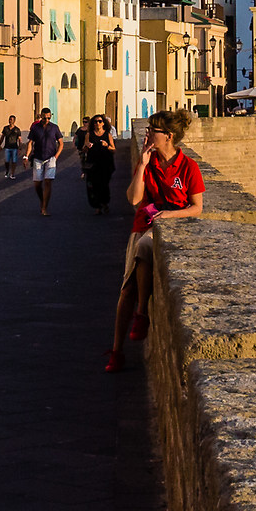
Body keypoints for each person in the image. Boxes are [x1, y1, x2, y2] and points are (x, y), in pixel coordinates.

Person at [107, 110, 204, 373]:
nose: (148, 134)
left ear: (168, 137)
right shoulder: (148, 162)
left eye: (153, 130)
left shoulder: (188, 167)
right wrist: (141, 163)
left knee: (144, 247)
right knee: (126, 289)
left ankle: (142, 313)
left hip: (170, 227)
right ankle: (117, 350)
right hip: (144, 225)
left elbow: (197, 207)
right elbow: (134, 199)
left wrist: (171, 214)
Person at [25, 107, 63, 215]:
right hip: (38, 157)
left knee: (48, 182)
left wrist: (56, 156)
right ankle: (42, 200)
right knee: (37, 184)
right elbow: (30, 143)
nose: (47, 120)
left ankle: (44, 207)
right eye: (45, 118)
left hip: (51, 157)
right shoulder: (35, 128)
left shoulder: (54, 128)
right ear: (41, 116)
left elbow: (61, 143)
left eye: (48, 118)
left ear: (50, 116)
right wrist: (26, 156)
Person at [84, 116, 117, 214]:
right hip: (93, 164)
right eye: (95, 122)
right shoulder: (89, 135)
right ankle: (97, 206)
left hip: (105, 163)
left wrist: (107, 146)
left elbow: (113, 149)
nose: (97, 123)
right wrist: (87, 146)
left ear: (103, 123)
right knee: (93, 185)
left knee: (104, 184)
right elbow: (84, 149)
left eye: (100, 121)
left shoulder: (108, 135)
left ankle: (105, 203)